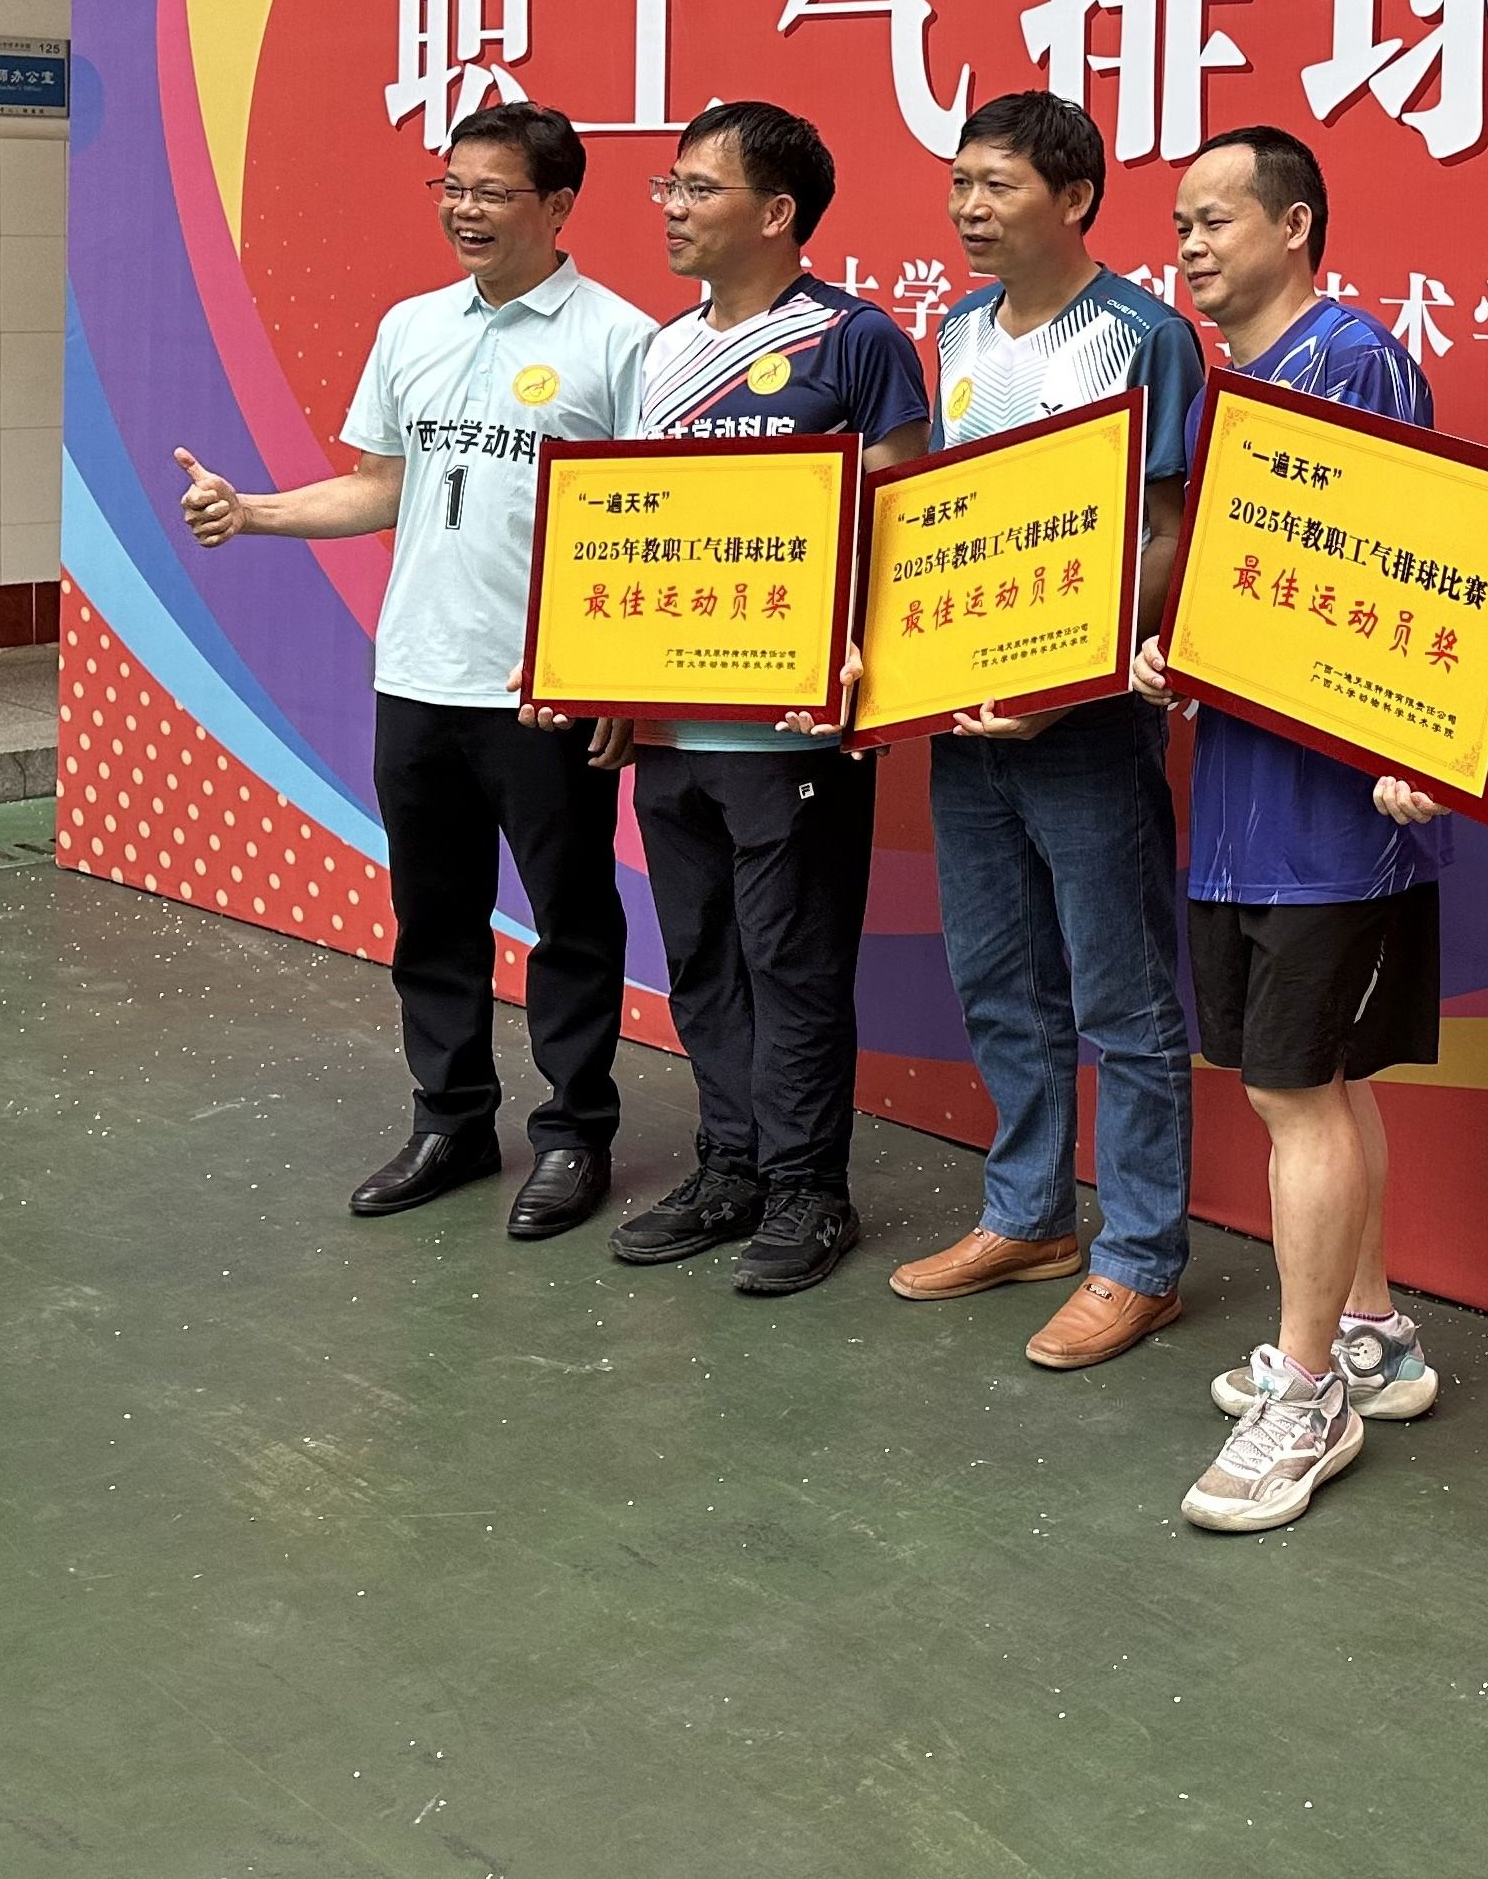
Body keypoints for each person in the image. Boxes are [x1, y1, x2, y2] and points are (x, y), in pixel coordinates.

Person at [175, 102, 655, 1238]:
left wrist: (622, 681)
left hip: (543, 690)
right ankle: (452, 1122)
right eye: (452, 188)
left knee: (571, 918)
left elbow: (649, 521)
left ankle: (575, 1134)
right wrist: (253, 511)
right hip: (419, 677)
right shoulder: (413, 327)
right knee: (432, 915)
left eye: (492, 192)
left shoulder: (621, 341)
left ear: (558, 206)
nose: (465, 211)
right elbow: (381, 484)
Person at [1128, 126, 1453, 1532]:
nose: (1191, 246)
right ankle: (1372, 1336)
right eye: (1180, 224)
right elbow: (1253, 593)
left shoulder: (1354, 362)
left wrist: (1415, 739)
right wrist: (1175, 652)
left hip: (1337, 815)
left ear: (1296, 225)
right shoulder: (1228, 387)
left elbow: (1417, 559)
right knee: (1308, 1080)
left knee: (1290, 1093)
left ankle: (1311, 1394)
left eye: (1218, 219)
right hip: (1243, 799)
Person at [884, 91, 1207, 1370]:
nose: (969, 209)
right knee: (1000, 978)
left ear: (1075, 199)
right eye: (960, 183)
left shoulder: (1145, 335)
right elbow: (943, 520)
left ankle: (1141, 1261)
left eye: (998, 185)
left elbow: (1168, 534)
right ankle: (1027, 1218)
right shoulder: (958, 328)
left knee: (1121, 997)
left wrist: (1065, 681)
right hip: (963, 719)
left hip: (1084, 727)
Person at [599, 102, 928, 1297]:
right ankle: (728, 1167)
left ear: (777, 212)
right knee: (702, 962)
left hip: (793, 734)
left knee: (794, 966)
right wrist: (605, 684)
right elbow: (629, 533)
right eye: (669, 187)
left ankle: (807, 1189)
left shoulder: (854, 341)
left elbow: (903, 526)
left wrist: (858, 661)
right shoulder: (655, 354)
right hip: (670, 728)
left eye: (699, 188)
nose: (672, 209)